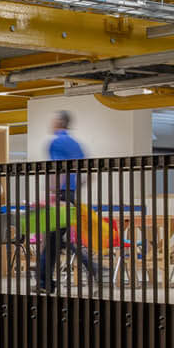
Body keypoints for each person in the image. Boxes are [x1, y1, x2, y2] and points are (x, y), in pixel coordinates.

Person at [36, 111, 99, 294]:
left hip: (60, 195)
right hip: (71, 195)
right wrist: (74, 188)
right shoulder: (75, 143)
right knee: (57, 240)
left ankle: (44, 281)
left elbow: (58, 169)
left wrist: (54, 194)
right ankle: (45, 281)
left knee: (52, 240)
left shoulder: (56, 142)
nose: (51, 122)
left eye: (53, 119)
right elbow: (88, 172)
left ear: (59, 122)